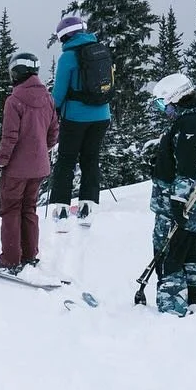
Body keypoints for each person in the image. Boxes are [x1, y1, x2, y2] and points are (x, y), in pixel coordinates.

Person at [148, 73, 196, 317]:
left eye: (163, 104)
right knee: (190, 250)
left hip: (182, 204)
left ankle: (172, 306)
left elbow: (188, 168)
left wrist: (178, 202)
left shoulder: (190, 124)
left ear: (176, 98)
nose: (163, 110)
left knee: (169, 251)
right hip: (193, 203)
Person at [0, 53, 59, 274]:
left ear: (17, 73)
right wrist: (39, 150)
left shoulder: (14, 100)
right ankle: (29, 255)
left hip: (16, 169)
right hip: (39, 167)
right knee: (29, 209)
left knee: (10, 210)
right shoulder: (48, 98)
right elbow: (54, 132)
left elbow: (10, 138)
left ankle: (10, 260)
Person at [50, 15, 113, 230]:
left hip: (76, 117)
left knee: (66, 160)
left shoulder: (68, 57)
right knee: (91, 158)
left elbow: (58, 94)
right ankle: (87, 207)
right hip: (102, 115)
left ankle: (62, 209)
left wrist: (52, 112)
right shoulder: (100, 50)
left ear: (65, 37)